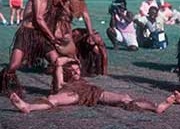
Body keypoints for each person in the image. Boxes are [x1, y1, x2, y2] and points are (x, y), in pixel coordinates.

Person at [9, 60, 177, 114]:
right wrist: (67, 61)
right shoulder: (63, 82)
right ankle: (28, 106)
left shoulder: (84, 80)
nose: (76, 72)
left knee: (125, 98)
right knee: (53, 99)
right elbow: (58, 63)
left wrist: (73, 63)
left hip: (94, 92)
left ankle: (157, 107)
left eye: (77, 69)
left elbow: (92, 86)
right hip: (73, 93)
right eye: (73, 70)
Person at [0, 0, 76, 96]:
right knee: (14, 66)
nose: (62, 3)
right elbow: (39, 19)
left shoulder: (55, 2)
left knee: (56, 61)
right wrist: (52, 38)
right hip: (26, 33)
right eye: (63, 0)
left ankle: (57, 89)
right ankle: (4, 84)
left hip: (41, 35)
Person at [70, 0, 108, 76]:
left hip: (72, 30)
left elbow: (86, 17)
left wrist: (90, 34)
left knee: (96, 44)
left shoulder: (81, 1)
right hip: (62, 30)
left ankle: (99, 70)